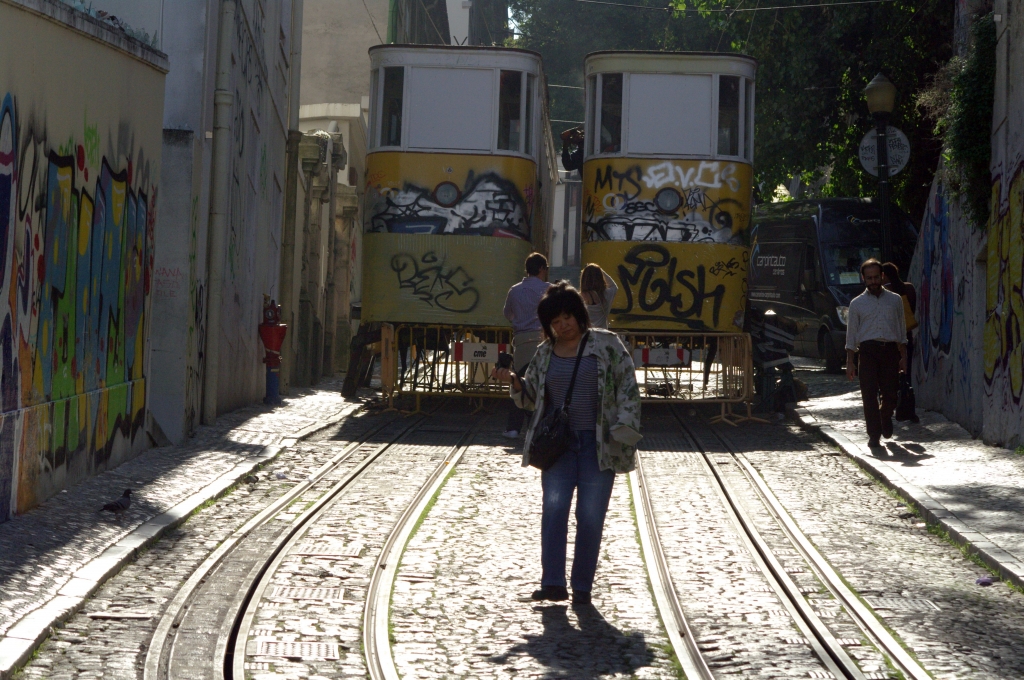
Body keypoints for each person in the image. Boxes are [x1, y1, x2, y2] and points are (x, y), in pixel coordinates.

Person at [492, 282, 642, 606]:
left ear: (579, 314)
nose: (563, 326)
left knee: (590, 516)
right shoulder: (545, 352)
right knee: (554, 510)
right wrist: (515, 382)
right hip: (558, 447)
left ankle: (582, 587)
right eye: (555, 322)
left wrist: (624, 425)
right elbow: (532, 397)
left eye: (567, 318)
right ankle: (553, 583)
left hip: (598, 446)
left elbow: (628, 387)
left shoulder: (607, 344)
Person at [845, 259, 907, 448]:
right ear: (863, 279)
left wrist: (903, 356)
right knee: (869, 394)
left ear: (882, 276)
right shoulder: (856, 304)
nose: (873, 282)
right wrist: (850, 361)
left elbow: (901, 330)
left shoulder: (895, 300)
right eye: (869, 278)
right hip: (867, 352)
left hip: (890, 351)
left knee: (891, 394)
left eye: (876, 278)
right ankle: (874, 434)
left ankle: (885, 415)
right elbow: (851, 334)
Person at [501, 252, 552, 438]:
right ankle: (541, 426)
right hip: (544, 341)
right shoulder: (549, 289)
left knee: (519, 383)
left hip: (522, 341)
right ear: (541, 268)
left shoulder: (514, 290)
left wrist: (520, 319)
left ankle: (513, 428)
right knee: (544, 385)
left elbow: (507, 313)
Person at [579, 264, 618, 330]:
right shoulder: (606, 294)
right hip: (602, 333)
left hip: (586, 334)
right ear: (600, 277)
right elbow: (614, 286)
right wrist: (599, 270)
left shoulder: (578, 298)